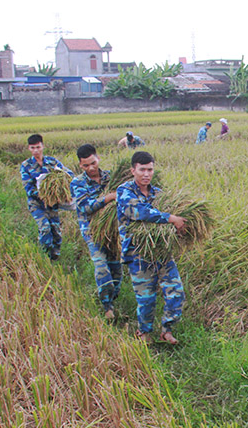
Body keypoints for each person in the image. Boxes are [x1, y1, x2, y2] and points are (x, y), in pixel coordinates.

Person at [116, 151, 187, 344]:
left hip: (162, 252)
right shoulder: (124, 191)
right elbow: (139, 212)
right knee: (146, 299)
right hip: (137, 253)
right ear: (133, 170)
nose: (146, 174)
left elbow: (172, 216)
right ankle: (144, 333)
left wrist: (179, 225)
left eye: (150, 170)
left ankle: (167, 330)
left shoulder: (159, 194)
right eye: (142, 170)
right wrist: (170, 218)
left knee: (176, 293)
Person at [70, 143, 122, 320]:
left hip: (112, 229)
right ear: (80, 165)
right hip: (91, 231)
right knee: (101, 267)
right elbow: (85, 207)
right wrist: (109, 197)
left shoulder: (111, 177)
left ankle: (112, 298)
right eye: (86, 165)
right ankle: (107, 307)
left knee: (116, 269)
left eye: (93, 163)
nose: (91, 168)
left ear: (98, 158)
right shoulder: (77, 183)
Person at [20, 133, 72, 261]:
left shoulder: (52, 162)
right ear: (29, 148)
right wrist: (44, 194)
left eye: (38, 147)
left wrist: (63, 190)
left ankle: (55, 258)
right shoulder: (26, 166)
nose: (35, 151)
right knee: (45, 228)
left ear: (43, 146)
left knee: (56, 232)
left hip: (52, 204)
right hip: (37, 204)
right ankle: (44, 256)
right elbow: (28, 188)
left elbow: (68, 174)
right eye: (32, 148)